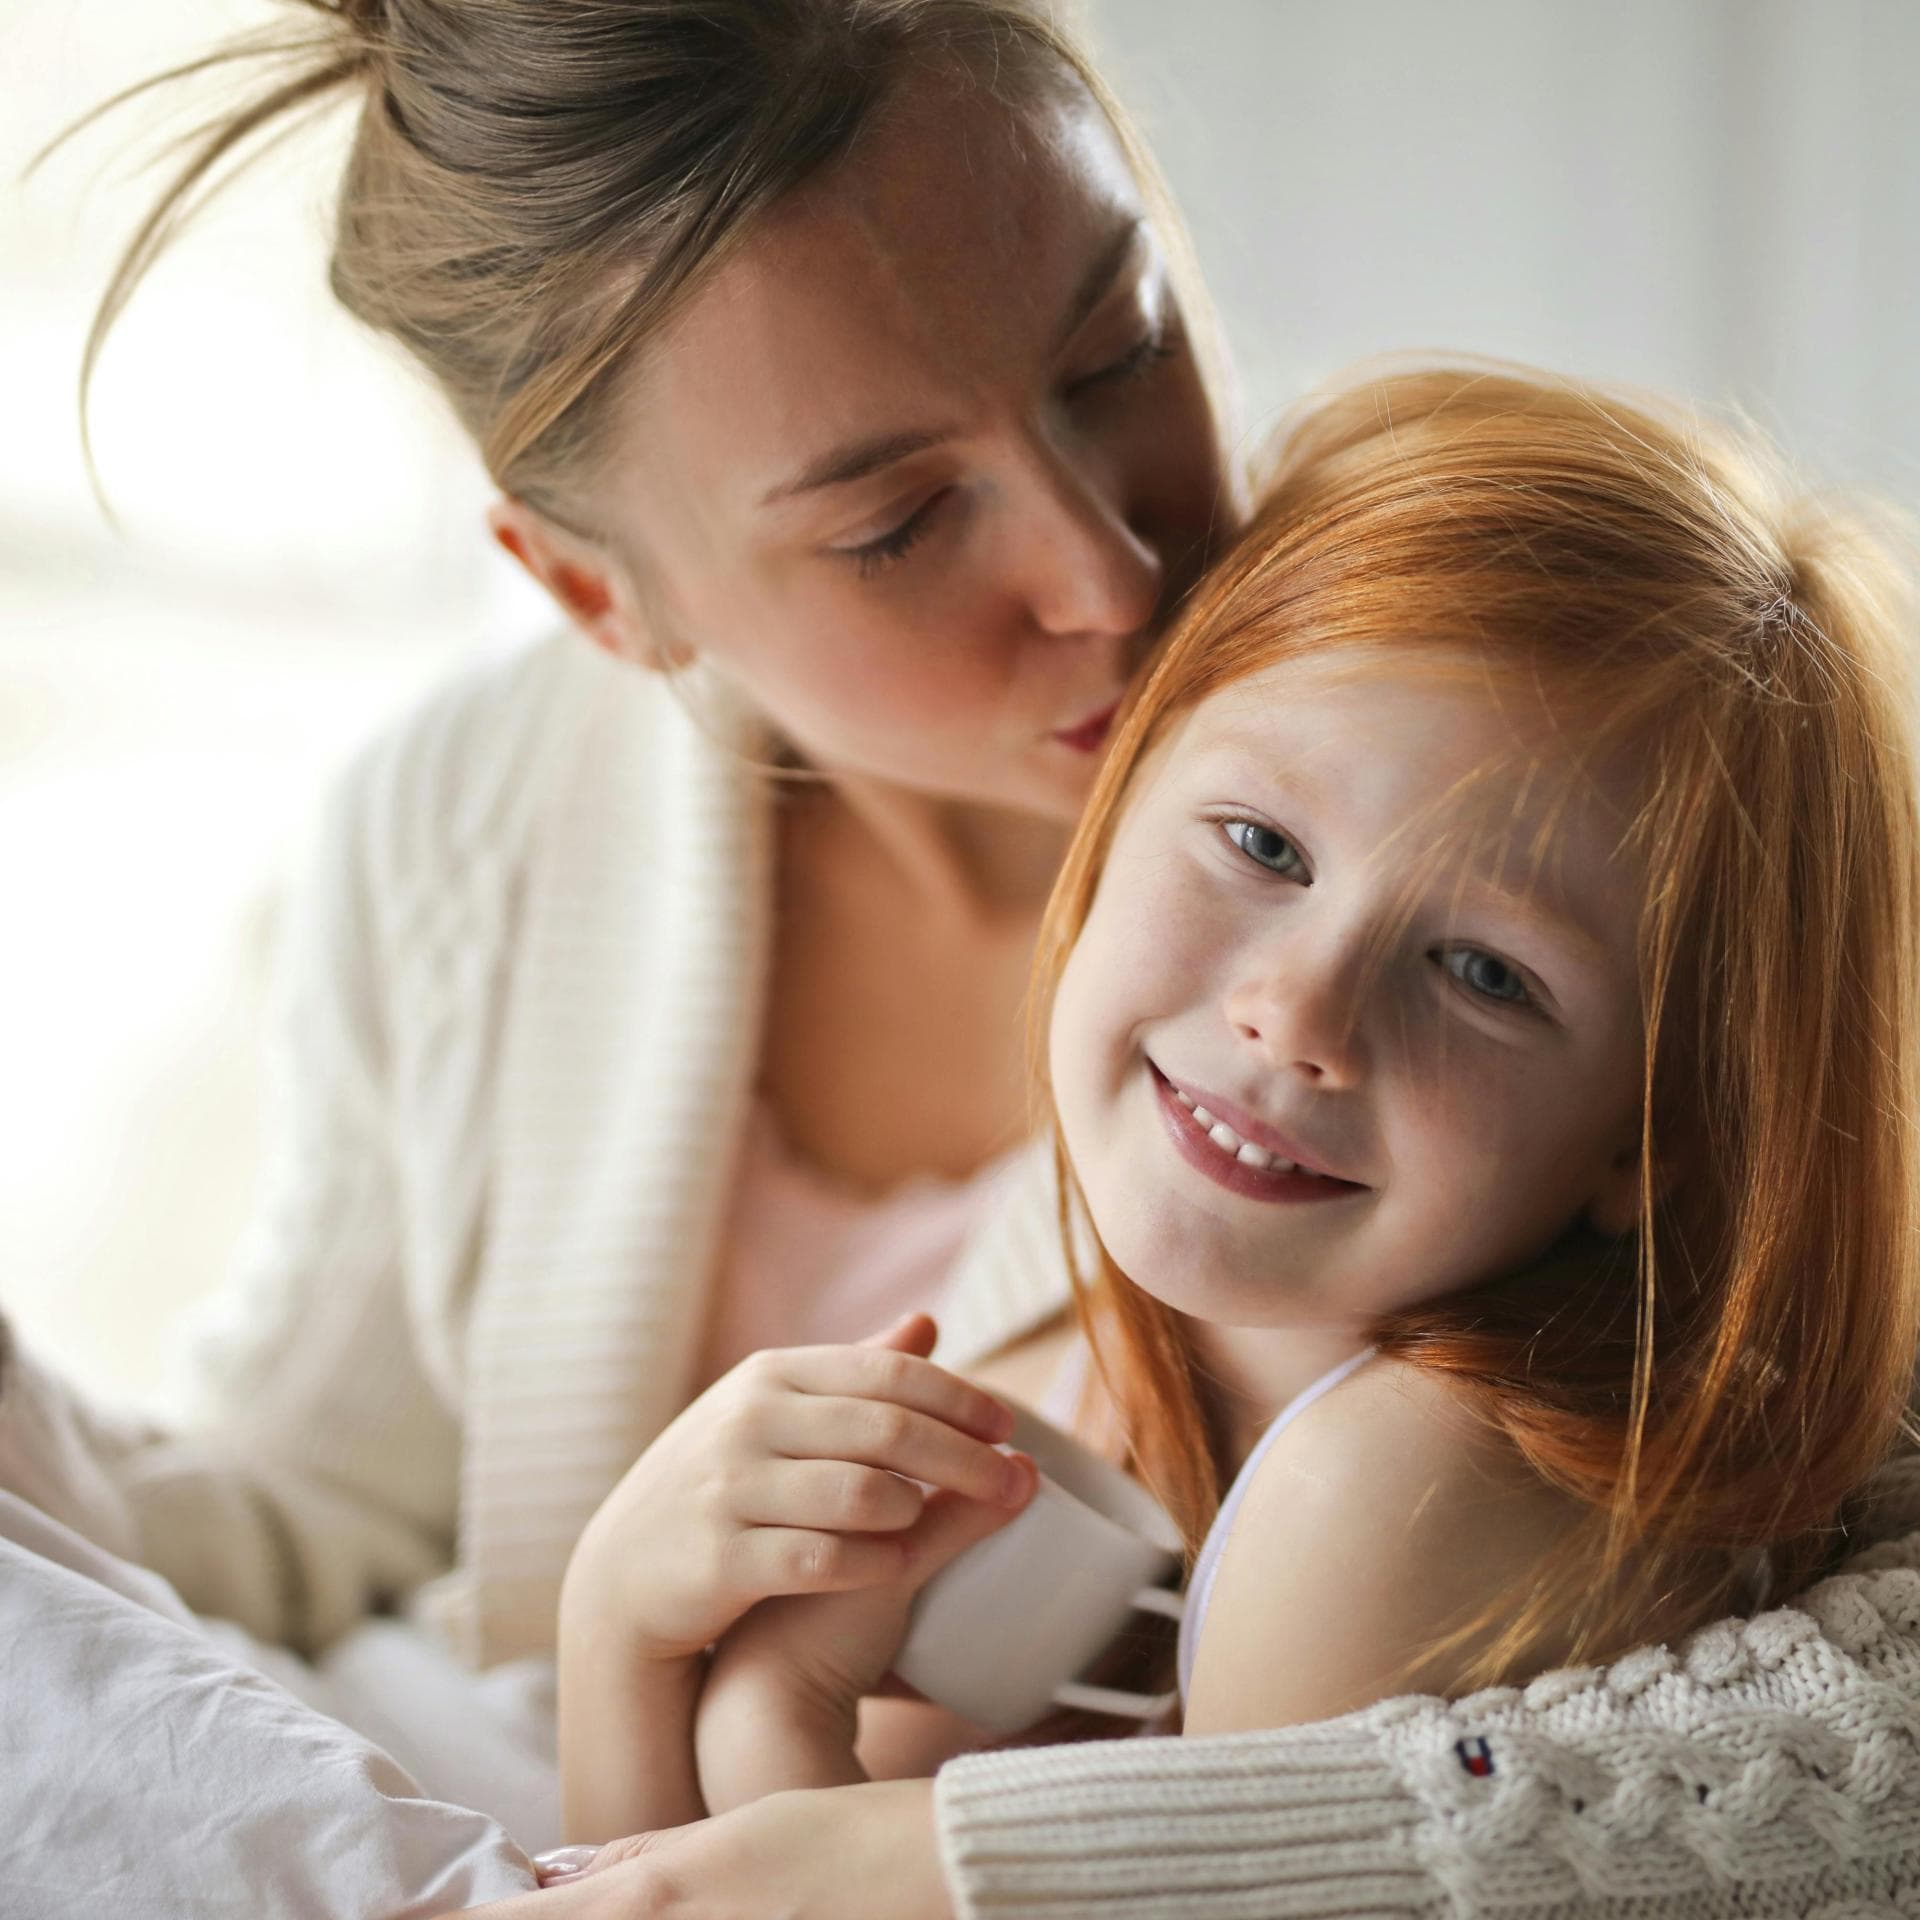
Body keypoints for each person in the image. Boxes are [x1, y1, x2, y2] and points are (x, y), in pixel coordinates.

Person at [28, 0, 1920, 1907]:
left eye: (1121, 351)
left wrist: (933, 1847)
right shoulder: (472, 817)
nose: (1112, 571)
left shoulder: (1475, 705)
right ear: (605, 592)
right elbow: (311, 1520)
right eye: (899, 518)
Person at [542, 363, 1920, 1839]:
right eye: (1262, 843)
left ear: (1651, 1141)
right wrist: (621, 1633)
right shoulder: (1093, 1378)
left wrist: (760, 1733)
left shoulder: (1405, 1499)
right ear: (1118, 791)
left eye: (1487, 973)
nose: (1299, 1014)